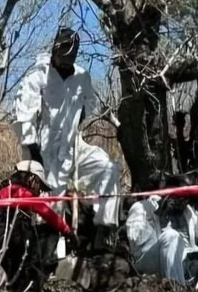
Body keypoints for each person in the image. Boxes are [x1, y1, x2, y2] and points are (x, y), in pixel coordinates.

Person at [14, 27, 121, 251]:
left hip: (75, 144)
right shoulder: (37, 76)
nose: (67, 58)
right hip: (44, 150)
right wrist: (34, 156)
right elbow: (23, 116)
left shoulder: (82, 76)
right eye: (63, 52)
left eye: (72, 54)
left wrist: (78, 118)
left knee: (107, 167)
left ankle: (104, 230)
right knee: (52, 200)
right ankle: (52, 256)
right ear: (55, 49)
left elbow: (89, 103)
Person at [126, 176, 198, 292]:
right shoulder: (143, 207)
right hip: (154, 259)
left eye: (183, 197)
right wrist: (160, 215)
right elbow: (135, 241)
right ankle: (175, 291)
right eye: (176, 195)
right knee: (171, 236)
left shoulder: (189, 212)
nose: (179, 200)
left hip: (189, 261)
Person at [0, 160, 58, 291]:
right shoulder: (18, 190)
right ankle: (25, 286)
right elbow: (45, 212)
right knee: (40, 234)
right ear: (32, 178)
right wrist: (67, 230)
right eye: (39, 186)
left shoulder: (2, 187)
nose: (39, 192)